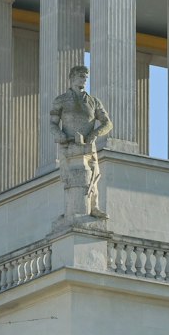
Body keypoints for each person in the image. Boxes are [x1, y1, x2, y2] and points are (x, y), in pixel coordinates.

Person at [48, 64, 112, 219]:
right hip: (68, 145)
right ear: (72, 77)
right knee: (68, 177)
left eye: (86, 77)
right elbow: (53, 124)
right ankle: (70, 209)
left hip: (88, 147)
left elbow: (108, 123)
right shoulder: (61, 100)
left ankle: (93, 207)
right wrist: (60, 135)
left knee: (93, 177)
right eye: (81, 76)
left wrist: (95, 134)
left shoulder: (93, 102)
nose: (84, 80)